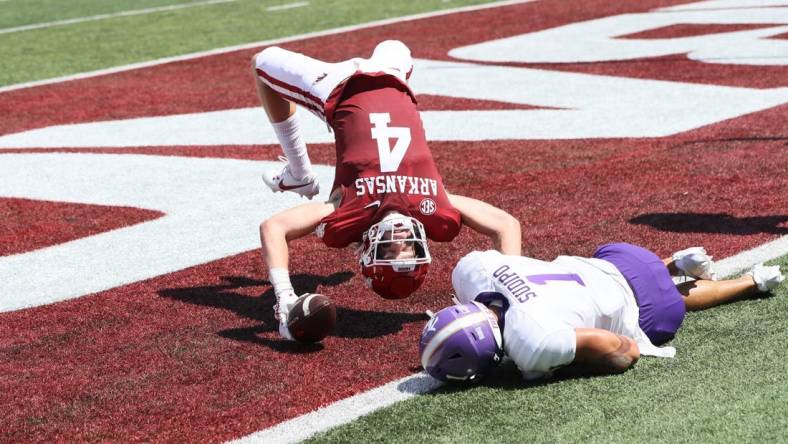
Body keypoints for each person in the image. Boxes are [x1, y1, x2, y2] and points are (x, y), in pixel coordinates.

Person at [251, 41, 521, 340]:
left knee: (263, 62)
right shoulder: (436, 210)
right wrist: (505, 298)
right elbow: (506, 225)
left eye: (391, 251)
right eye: (409, 250)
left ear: (368, 251)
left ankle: (299, 173)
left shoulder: (346, 215)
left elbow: (273, 227)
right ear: (423, 249)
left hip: (336, 90)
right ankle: (299, 175)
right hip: (394, 77)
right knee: (395, 45)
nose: (401, 240)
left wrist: (285, 298)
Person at [419, 243, 784, 382]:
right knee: (601, 283)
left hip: (656, 309)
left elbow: (626, 352)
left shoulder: (530, 341)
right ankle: (670, 262)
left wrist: (568, 362)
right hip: (619, 255)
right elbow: (506, 226)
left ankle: (751, 282)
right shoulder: (471, 270)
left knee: (651, 309)